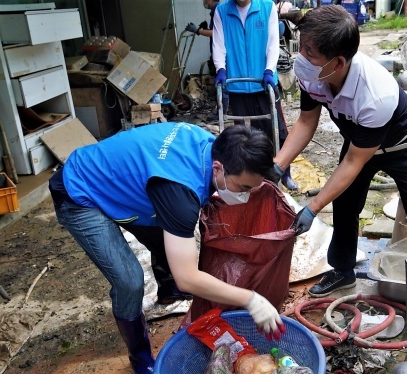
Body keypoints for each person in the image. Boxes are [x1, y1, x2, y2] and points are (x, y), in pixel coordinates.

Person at [272, 6, 407, 327]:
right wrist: (277, 165)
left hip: (406, 145)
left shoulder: (375, 95)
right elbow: (305, 122)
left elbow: (354, 161)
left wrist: (312, 207)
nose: (300, 57)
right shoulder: (313, 72)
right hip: (362, 140)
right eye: (301, 47)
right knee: (345, 204)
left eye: (309, 52)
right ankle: (343, 271)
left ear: (339, 62)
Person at [49, 123, 285, 374]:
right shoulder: (179, 192)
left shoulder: (214, 145)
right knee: (129, 280)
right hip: (80, 192)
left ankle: (166, 288)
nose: (246, 196)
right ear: (218, 168)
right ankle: (140, 357)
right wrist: (250, 299)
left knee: (172, 238)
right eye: (244, 188)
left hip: (123, 178)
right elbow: (187, 278)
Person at [212, 0, 299, 191]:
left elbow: (273, 42)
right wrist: (221, 69)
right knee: (243, 137)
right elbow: (219, 44)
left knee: (278, 132)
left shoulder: (266, 7)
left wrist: (269, 70)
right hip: (237, 85)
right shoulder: (222, 11)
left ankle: (284, 173)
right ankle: (249, 177)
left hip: (264, 83)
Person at [185, 0, 230, 120]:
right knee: (222, 83)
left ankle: (221, 114)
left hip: (223, 54)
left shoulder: (217, 9)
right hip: (222, 53)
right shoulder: (217, 9)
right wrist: (204, 28)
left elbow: (216, 33)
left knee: (222, 84)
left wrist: (198, 31)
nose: (204, 2)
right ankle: (222, 112)